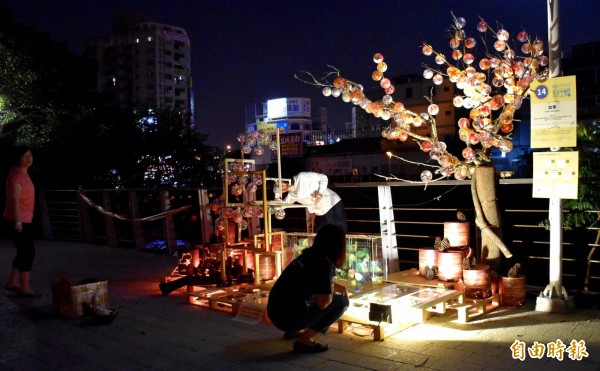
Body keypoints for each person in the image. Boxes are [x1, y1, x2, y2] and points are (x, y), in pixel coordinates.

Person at [267, 224, 349, 353]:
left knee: (306, 298)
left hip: (274, 312)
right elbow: (324, 302)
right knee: (341, 302)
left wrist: (334, 287)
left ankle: (294, 330)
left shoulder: (308, 255)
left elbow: (314, 283)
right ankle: (304, 340)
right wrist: (331, 294)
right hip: (287, 319)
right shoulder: (323, 263)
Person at [3, 146, 40, 297]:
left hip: (23, 219)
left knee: (22, 252)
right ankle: (24, 287)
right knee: (28, 253)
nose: (28, 158)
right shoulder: (18, 176)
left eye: (30, 155)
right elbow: (14, 201)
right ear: (18, 157)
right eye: (25, 156)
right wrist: (18, 222)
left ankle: (12, 281)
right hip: (20, 220)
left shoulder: (20, 172)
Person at [283, 171, 348, 233]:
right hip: (319, 212)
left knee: (337, 233)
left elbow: (323, 177)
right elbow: (282, 204)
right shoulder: (291, 195)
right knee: (318, 234)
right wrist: (276, 208)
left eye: (281, 184)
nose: (282, 187)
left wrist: (320, 192)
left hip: (332, 204)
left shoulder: (302, 177)